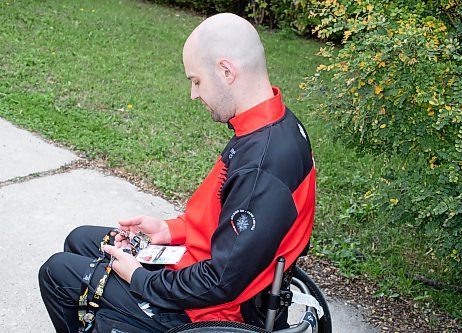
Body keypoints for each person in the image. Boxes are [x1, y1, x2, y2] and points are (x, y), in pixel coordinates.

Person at [39, 12, 316, 333]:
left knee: (57, 273)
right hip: (209, 268)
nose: (194, 94)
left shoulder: (261, 164)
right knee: (81, 239)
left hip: (208, 311)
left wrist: (140, 278)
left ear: (226, 71)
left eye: (196, 81)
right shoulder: (273, 124)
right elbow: (230, 225)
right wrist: (170, 231)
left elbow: (220, 282)